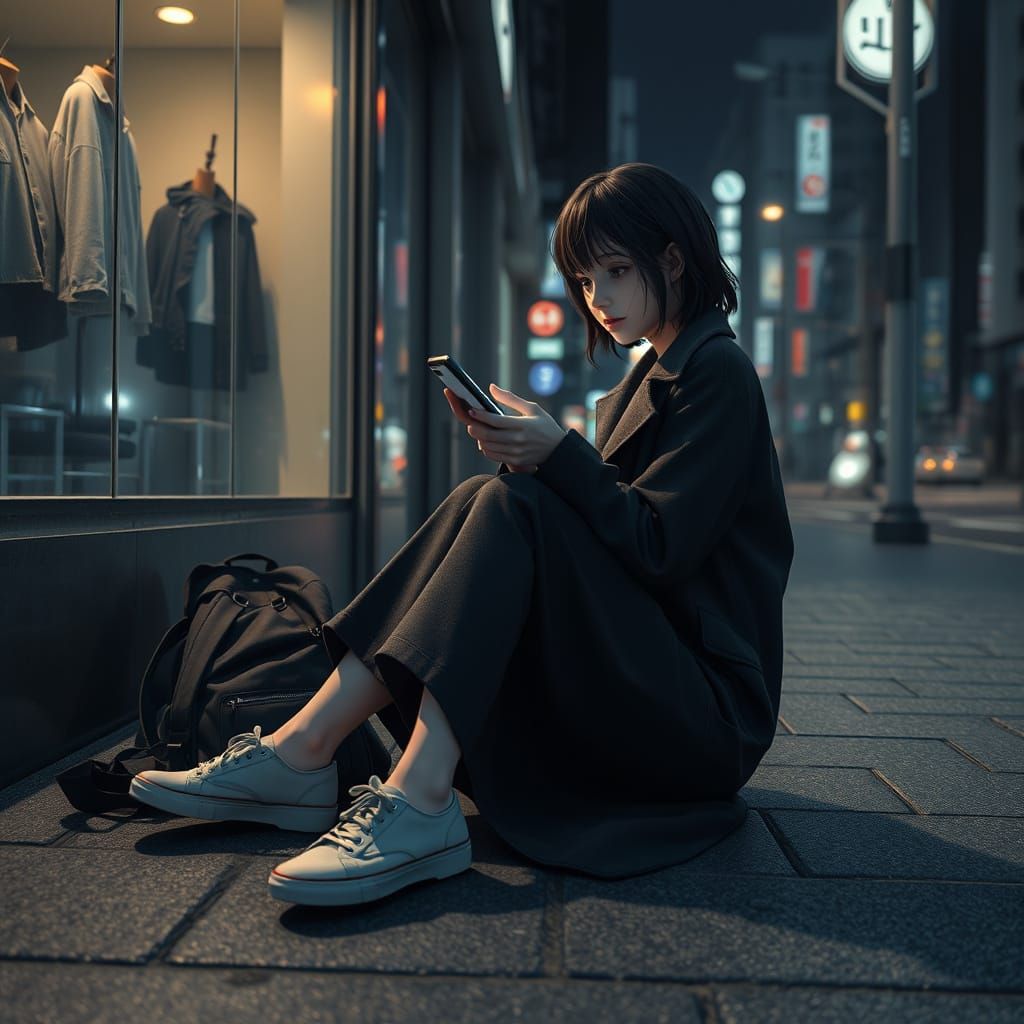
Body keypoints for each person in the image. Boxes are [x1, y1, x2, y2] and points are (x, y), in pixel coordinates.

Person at [129, 162, 794, 907]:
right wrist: (543, 462)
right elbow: (614, 542)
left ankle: (403, 791)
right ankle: (308, 750)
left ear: (672, 260)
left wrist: (558, 457)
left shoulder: (719, 373)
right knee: (496, 496)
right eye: (582, 278)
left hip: (704, 720)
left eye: (614, 270)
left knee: (512, 504)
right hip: (648, 679)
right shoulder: (660, 374)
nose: (596, 298)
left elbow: (660, 550)